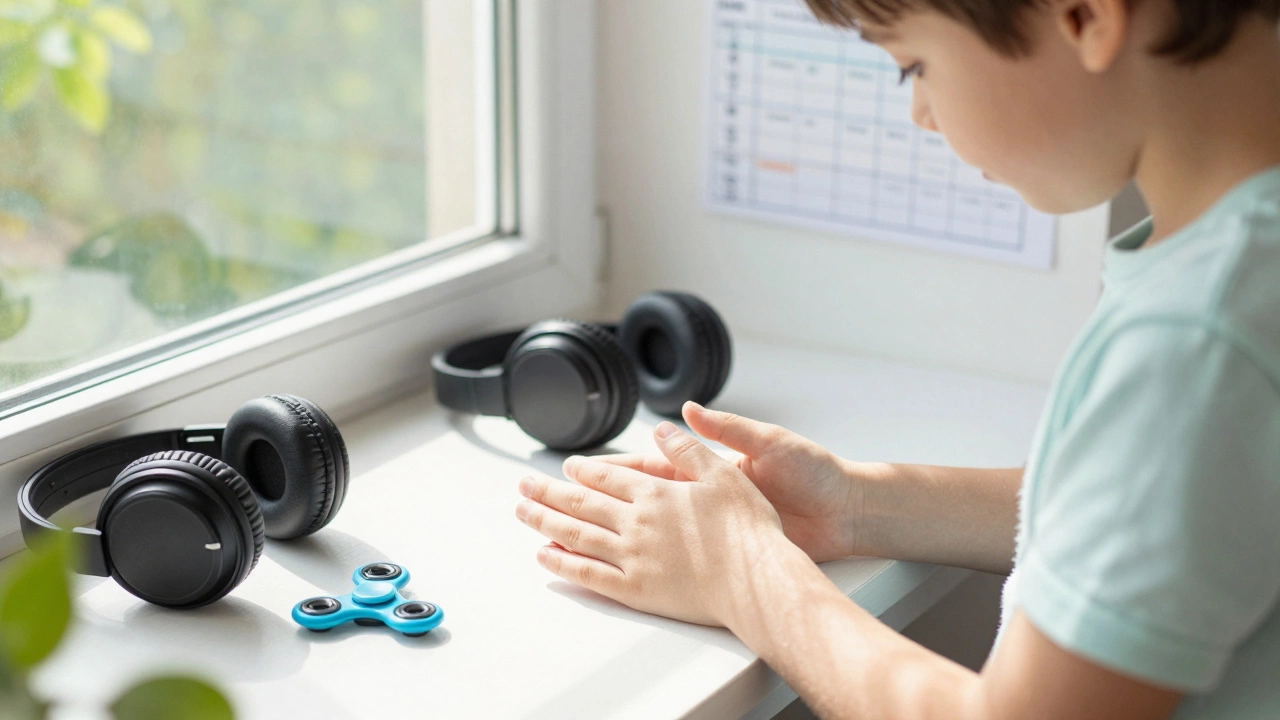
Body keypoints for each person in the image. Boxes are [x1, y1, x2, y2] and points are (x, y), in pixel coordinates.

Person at [512, 0, 1280, 716]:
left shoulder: (1201, 336)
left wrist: (743, 574)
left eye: (914, 65)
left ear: (1083, 14)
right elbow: (1190, 516)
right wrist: (855, 503)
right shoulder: (1243, 270)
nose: (918, 113)